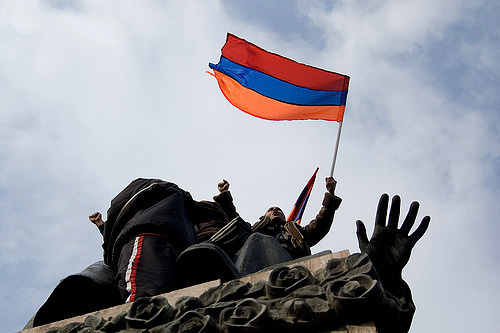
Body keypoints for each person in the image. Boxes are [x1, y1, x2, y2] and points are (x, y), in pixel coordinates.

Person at [89, 178, 198, 303]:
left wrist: (106, 227)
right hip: (169, 245)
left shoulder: (153, 196)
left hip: (144, 240)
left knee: (140, 297)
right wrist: (102, 226)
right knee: (160, 294)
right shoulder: (179, 206)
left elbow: (121, 225)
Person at [213, 177, 342, 259]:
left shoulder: (296, 232)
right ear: (265, 216)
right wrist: (224, 195)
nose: (275, 210)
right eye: (271, 210)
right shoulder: (252, 231)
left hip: (292, 261)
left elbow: (320, 225)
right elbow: (234, 221)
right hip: (259, 261)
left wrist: (330, 194)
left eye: (278, 209)